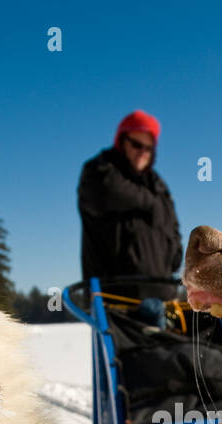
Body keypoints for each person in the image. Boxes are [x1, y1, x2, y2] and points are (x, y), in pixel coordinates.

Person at [77, 110, 183, 301]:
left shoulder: (158, 185)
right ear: (122, 141)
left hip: (164, 295)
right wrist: (151, 203)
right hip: (116, 301)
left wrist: (175, 253)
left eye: (149, 148)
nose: (143, 152)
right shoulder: (99, 172)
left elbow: (173, 225)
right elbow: (107, 194)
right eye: (137, 145)